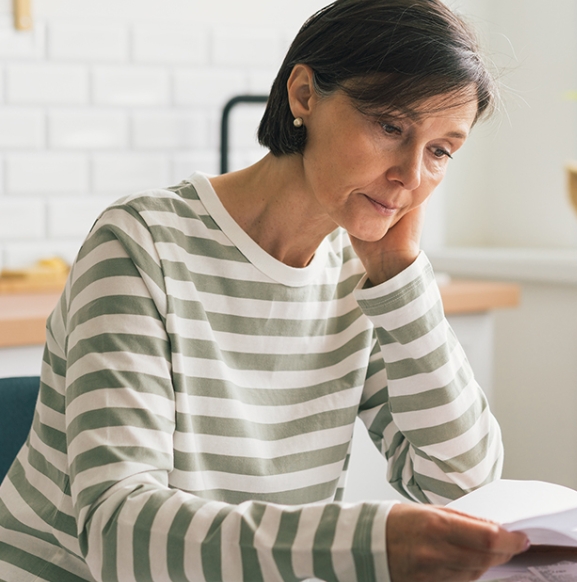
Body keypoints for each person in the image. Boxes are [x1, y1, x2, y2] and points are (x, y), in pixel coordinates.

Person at [0, 1, 530, 580]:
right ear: (303, 94)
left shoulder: (365, 280)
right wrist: (365, 541)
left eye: (440, 151)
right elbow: (118, 533)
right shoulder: (140, 244)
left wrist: (401, 280)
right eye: (390, 126)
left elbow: (465, 488)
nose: (411, 175)